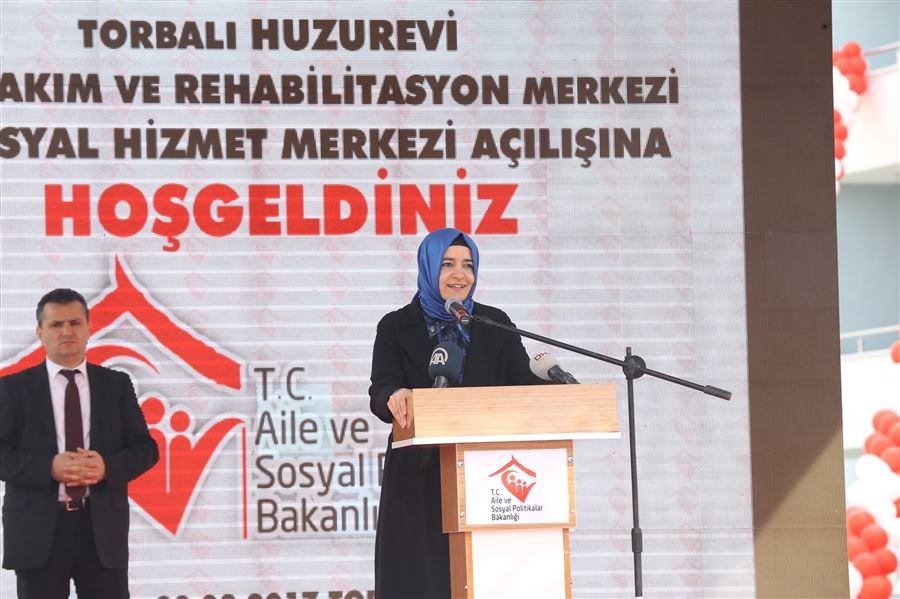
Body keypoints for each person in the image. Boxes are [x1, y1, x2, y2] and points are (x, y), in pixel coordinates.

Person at [369, 228, 546, 599]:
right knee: (420, 582)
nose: (459, 275)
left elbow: (523, 382)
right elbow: (380, 390)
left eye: (468, 265)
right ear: (428, 267)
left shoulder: (494, 324)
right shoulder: (395, 326)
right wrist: (394, 395)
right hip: (418, 479)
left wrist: (558, 383)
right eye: (447, 264)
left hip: (488, 478)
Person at [0, 288, 159, 598]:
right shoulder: (13, 388)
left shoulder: (116, 385)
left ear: (88, 328)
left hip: (101, 531)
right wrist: (47, 467)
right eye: (56, 324)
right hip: (37, 531)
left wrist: (107, 467)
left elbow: (146, 450)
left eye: (74, 323)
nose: (66, 331)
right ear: (40, 332)